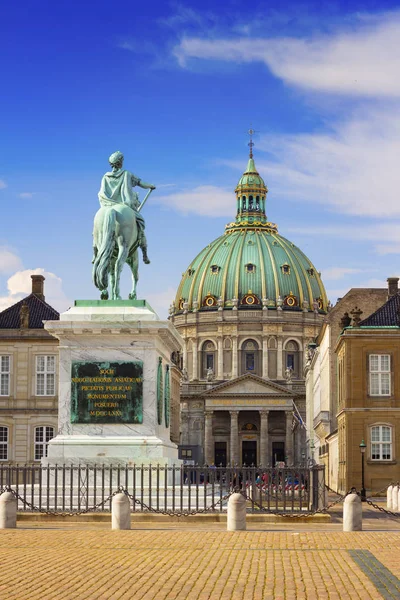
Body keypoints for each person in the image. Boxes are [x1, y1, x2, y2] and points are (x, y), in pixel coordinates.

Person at [98, 151, 156, 264]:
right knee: (140, 224)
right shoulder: (127, 174)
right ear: (120, 163)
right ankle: (144, 254)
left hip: (107, 204)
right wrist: (151, 186)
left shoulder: (105, 177)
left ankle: (95, 250)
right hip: (125, 206)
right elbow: (140, 183)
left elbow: (102, 193)